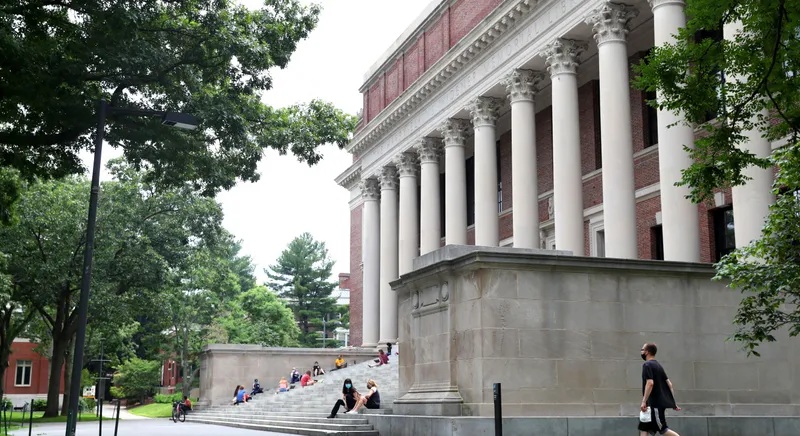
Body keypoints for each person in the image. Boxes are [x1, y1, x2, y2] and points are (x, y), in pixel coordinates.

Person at [639, 342, 681, 436]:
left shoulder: (647, 365)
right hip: (650, 407)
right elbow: (669, 384)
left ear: (647, 352)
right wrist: (673, 402)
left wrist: (644, 401)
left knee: (662, 429)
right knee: (644, 428)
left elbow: (650, 383)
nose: (641, 352)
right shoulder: (658, 366)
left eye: (642, 350)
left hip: (654, 405)